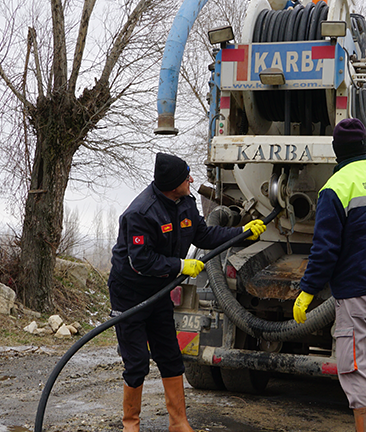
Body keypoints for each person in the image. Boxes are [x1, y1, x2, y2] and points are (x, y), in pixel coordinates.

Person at [107, 152, 266, 432]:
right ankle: (130, 425)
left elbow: (203, 235)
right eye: (186, 177)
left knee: (170, 355)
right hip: (130, 293)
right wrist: (181, 265)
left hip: (160, 288)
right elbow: (140, 260)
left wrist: (242, 233)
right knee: (137, 362)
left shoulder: (185, 202)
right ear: (172, 184)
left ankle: (179, 423)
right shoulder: (140, 213)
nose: (191, 179)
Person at [293, 118, 366, 432]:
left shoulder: (336, 187)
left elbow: (325, 248)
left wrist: (307, 290)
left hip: (359, 294)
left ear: (336, 151)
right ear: (365, 145)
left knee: (355, 371)